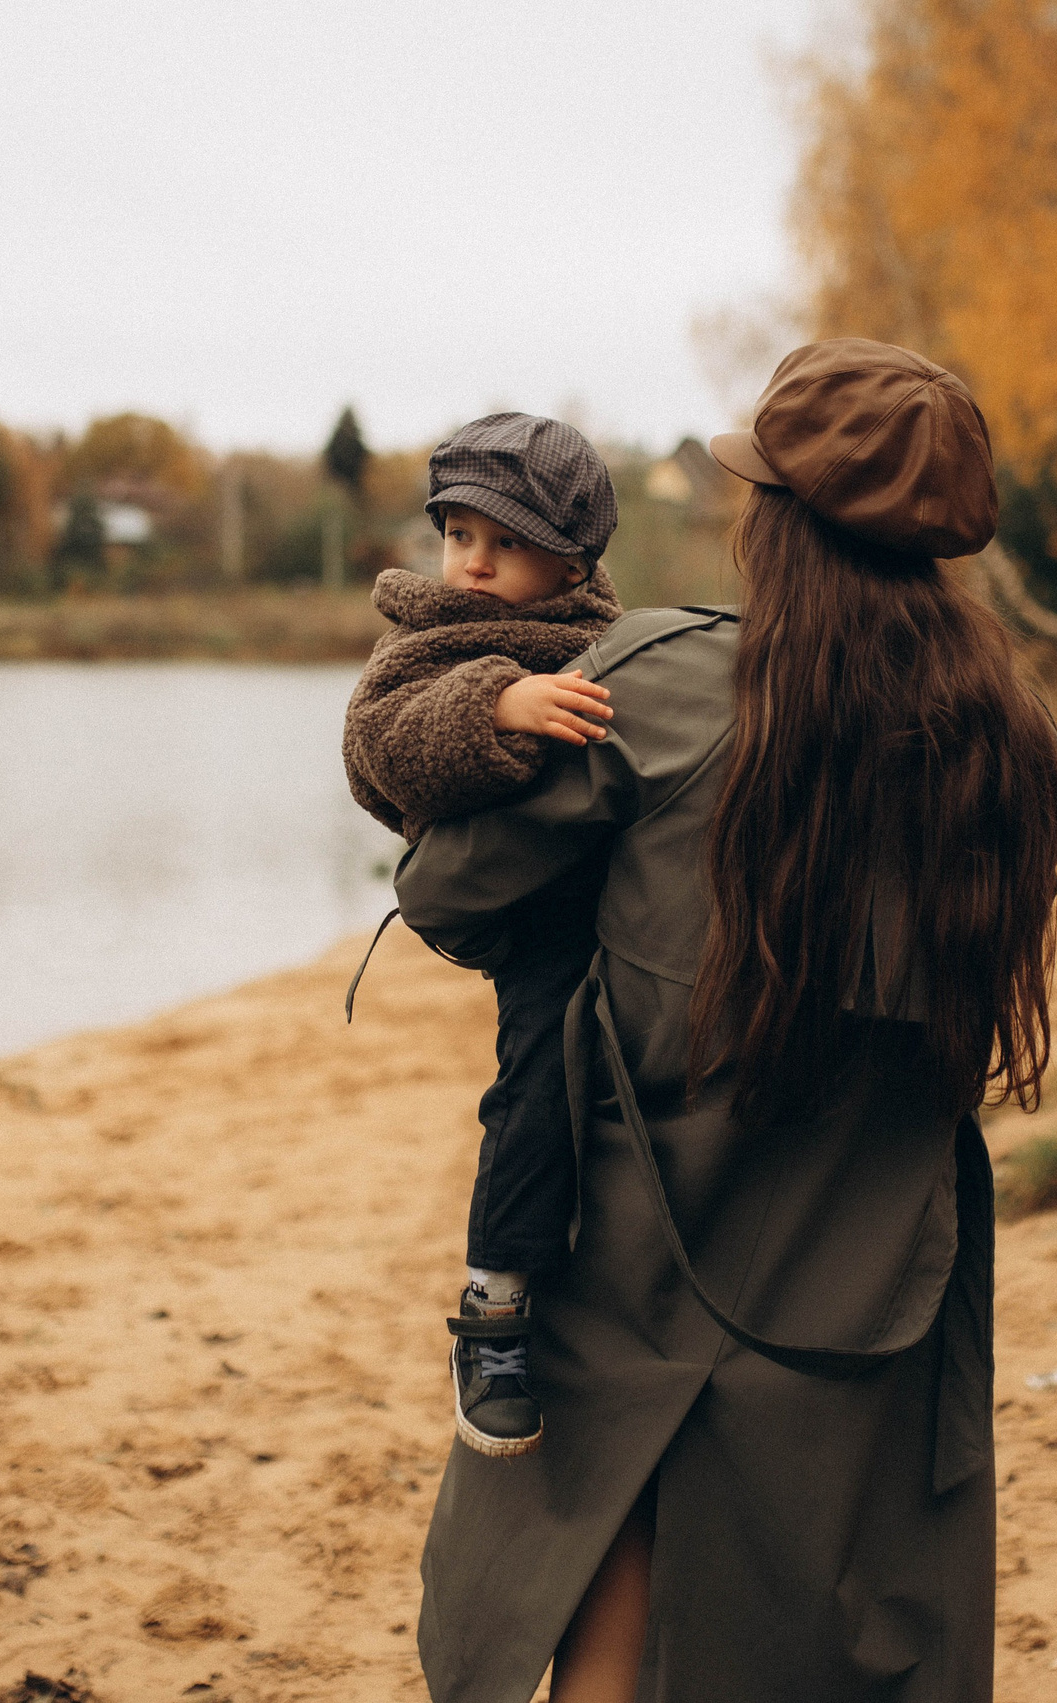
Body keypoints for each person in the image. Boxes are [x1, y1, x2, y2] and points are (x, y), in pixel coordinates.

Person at [396, 340, 1057, 1703]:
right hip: (874, 1267)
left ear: (779, 519)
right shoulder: (1011, 737)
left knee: (610, 1557)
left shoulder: (665, 682)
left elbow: (443, 890)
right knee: (834, 1625)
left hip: (645, 1237)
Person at [342, 411, 626, 1458]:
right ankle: (495, 1307)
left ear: (573, 555)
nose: (471, 563)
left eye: (503, 543)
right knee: (541, 1074)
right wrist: (496, 704)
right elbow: (376, 743)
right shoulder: (430, 640)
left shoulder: (612, 645)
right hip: (530, 916)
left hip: (630, 898)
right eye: (459, 534)